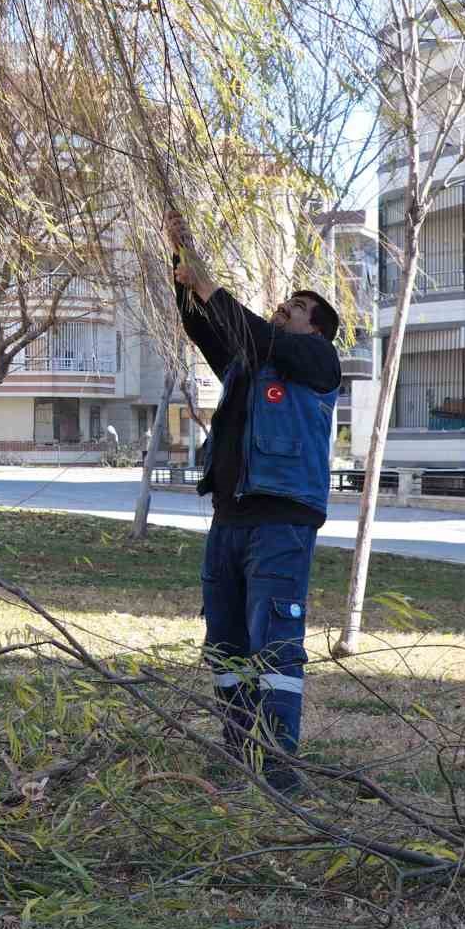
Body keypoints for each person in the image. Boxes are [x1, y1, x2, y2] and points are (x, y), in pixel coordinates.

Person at [169, 214, 341, 793]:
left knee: (275, 645)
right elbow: (204, 326)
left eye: (294, 308)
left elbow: (246, 325)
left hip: (281, 521)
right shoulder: (249, 363)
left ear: (314, 330)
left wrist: (210, 284)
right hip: (230, 520)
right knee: (226, 645)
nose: (281, 310)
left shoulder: (318, 364)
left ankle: (278, 766)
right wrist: (182, 261)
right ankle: (239, 751)